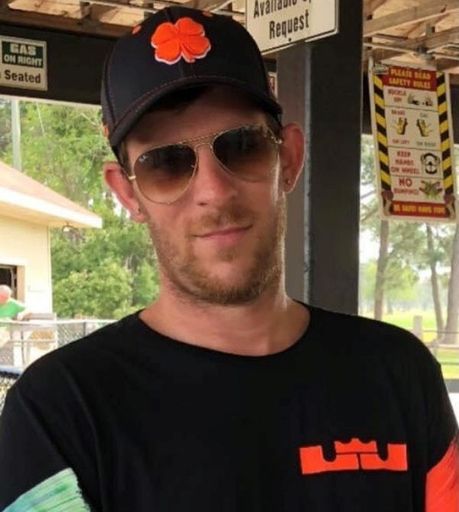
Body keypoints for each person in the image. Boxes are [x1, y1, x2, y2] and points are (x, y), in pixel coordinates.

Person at [0, 6, 457, 511]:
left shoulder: (399, 374)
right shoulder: (59, 412)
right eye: (166, 163)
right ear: (128, 194)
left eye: (241, 146)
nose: (214, 192)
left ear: (288, 159)